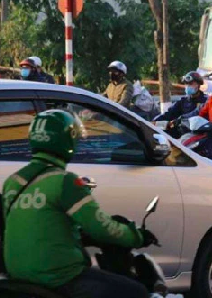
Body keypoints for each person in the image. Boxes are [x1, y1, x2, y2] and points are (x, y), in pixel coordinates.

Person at [2, 110, 155, 298]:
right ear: (69, 139)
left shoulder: (13, 181)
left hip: (18, 276)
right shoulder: (65, 182)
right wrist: (137, 236)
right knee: (136, 292)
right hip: (59, 277)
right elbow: (102, 228)